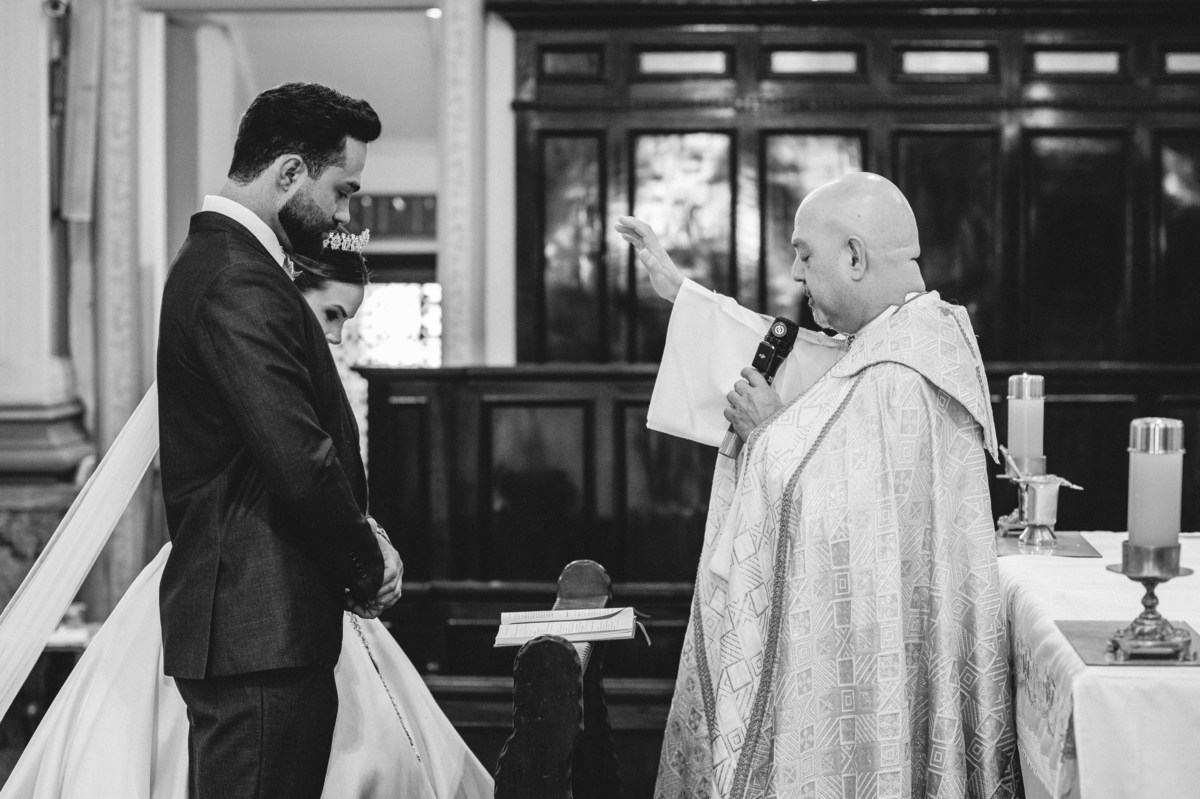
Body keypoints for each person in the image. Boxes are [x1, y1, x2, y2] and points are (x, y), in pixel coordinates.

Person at [0, 240, 495, 799]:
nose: (335, 336)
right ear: (290, 293)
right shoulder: (248, 350)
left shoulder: (291, 368)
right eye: (331, 313)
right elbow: (293, 479)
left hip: (298, 595)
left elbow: (321, 484)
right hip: (243, 596)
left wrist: (372, 538)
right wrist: (367, 563)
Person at [615, 172, 1019, 798]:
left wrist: (766, 433)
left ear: (854, 256)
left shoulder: (901, 375)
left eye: (804, 255)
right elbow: (809, 364)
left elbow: (840, 526)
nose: (797, 275)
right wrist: (683, 295)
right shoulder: (902, 337)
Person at [155, 82, 402, 798]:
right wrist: (367, 564)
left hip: (260, 634)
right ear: (290, 172)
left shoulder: (232, 266)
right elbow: (299, 459)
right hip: (257, 635)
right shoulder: (237, 277)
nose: (344, 215)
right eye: (342, 191)